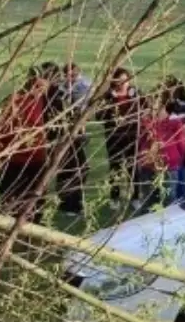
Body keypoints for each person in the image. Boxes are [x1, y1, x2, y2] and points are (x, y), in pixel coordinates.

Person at [0, 67, 51, 221]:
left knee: (36, 200)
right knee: (11, 201)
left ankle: (33, 233)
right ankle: (6, 234)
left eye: (43, 87)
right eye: (36, 86)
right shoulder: (13, 102)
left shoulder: (47, 101)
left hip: (37, 160)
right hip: (13, 161)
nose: (39, 91)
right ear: (28, 81)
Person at [95, 67, 141, 207]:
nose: (123, 83)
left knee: (133, 167)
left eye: (126, 80)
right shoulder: (108, 96)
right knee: (115, 167)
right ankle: (114, 197)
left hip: (132, 136)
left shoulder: (135, 94)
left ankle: (135, 197)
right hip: (114, 136)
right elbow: (99, 115)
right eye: (119, 80)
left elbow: (145, 109)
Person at [56, 62, 92, 215]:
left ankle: (74, 204)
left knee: (79, 169)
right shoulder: (61, 87)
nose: (71, 78)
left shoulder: (84, 85)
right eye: (68, 75)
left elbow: (86, 107)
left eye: (74, 75)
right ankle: (68, 205)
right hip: (65, 134)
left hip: (76, 132)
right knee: (70, 169)